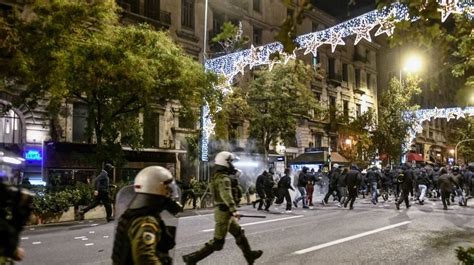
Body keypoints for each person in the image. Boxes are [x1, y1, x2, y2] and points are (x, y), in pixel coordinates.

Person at [182, 151, 263, 265]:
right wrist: (234, 210)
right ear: (225, 163)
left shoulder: (219, 177)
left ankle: (249, 256)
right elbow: (226, 195)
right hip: (223, 213)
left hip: (225, 213)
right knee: (218, 243)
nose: (232, 165)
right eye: (230, 162)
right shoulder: (223, 179)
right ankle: (192, 259)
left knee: (239, 234)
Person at [111, 166, 182, 264]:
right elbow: (145, 257)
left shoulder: (133, 213)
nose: (170, 194)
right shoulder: (146, 221)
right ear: (158, 189)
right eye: (168, 189)